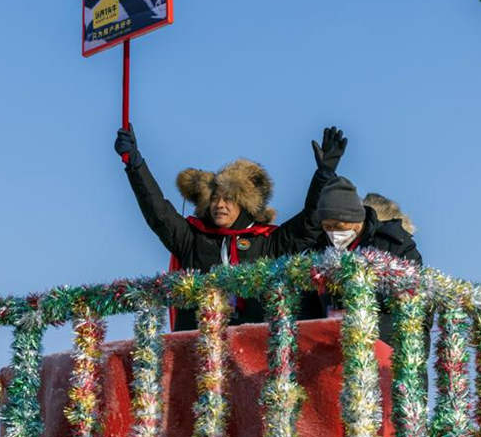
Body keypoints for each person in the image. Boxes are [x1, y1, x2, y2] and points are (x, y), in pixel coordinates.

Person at [114, 125, 347, 331]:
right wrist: (135, 164)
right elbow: (158, 212)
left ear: (244, 203)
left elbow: (310, 223)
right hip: (197, 349)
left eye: (229, 199)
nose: (220, 205)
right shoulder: (192, 239)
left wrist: (324, 176)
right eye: (215, 198)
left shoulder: (267, 242)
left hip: (253, 353)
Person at [309, 177, 426, 350]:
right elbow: (309, 305)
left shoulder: (395, 245)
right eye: (327, 227)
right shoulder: (320, 250)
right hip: (333, 353)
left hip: (386, 351)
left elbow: (417, 309)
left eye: (338, 226)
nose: (333, 233)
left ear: (356, 221)